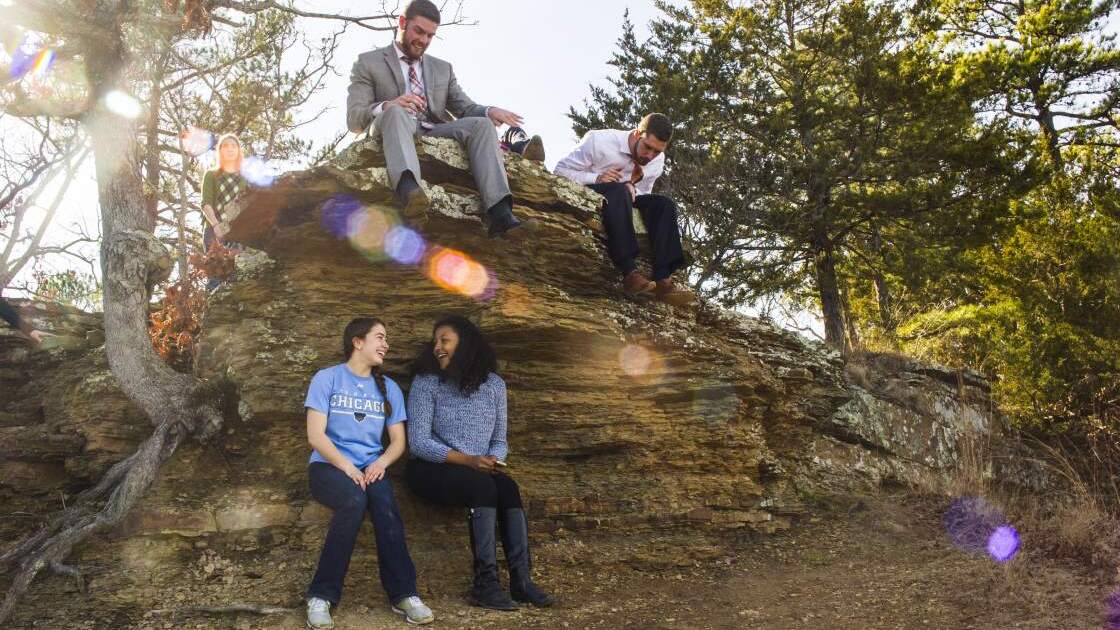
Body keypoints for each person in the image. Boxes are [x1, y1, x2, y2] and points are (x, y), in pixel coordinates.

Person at [345, 0, 535, 239]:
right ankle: (410, 194)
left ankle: (500, 214)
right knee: (395, 113)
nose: (424, 41)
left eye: (430, 36)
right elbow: (354, 119)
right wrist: (388, 104)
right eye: (419, 31)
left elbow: (464, 107)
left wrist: (489, 110)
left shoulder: (442, 68)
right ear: (402, 23)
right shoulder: (368, 62)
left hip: (433, 129)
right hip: (393, 125)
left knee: (482, 125)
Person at [405, 315, 554, 611]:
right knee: (481, 487)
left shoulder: (494, 385)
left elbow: (500, 439)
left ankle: (521, 582)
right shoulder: (426, 382)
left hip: (477, 468)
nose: (437, 347)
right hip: (430, 468)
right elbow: (418, 442)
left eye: (444, 340)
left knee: (508, 487)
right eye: (435, 342)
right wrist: (469, 461)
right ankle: (485, 584)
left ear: (466, 344)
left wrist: (495, 459)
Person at [303, 317, 434, 628]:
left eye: (386, 338)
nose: (386, 344)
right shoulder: (327, 378)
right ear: (357, 342)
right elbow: (316, 436)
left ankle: (404, 594)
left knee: (385, 505)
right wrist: (347, 466)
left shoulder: (388, 388)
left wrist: (380, 464)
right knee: (353, 501)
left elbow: (399, 441)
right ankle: (321, 596)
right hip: (328, 466)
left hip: (371, 468)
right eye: (379, 337)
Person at [554, 113, 695, 306]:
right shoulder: (599, 140)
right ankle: (629, 272)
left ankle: (663, 278)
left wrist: (633, 188)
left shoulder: (656, 160)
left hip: (626, 194)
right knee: (619, 191)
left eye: (657, 152)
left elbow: (644, 190)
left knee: (664, 205)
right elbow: (560, 171)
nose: (650, 156)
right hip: (594, 188)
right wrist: (596, 178)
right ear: (637, 134)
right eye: (647, 147)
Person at [200, 134, 248, 291]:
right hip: (214, 231)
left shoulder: (245, 178)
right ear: (220, 151)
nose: (230, 149)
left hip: (238, 232)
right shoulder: (211, 175)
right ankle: (211, 314)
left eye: (233, 146)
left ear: (239, 151)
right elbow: (206, 203)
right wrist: (216, 225)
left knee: (238, 276)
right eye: (225, 146)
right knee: (215, 277)